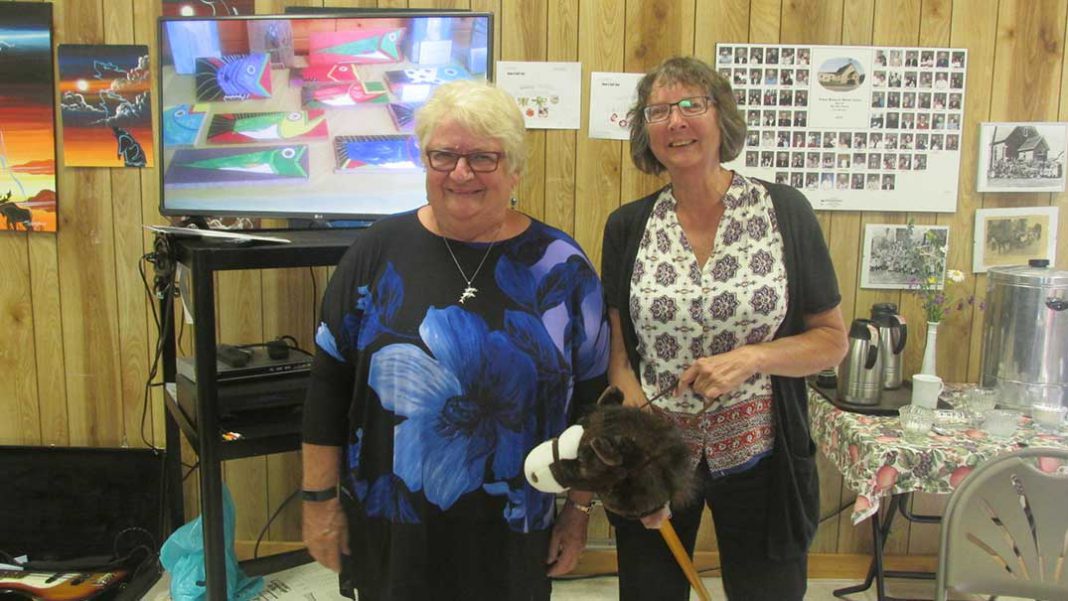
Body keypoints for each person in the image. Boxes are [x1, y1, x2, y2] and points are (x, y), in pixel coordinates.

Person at [301, 79, 609, 601]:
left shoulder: (560, 265)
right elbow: (328, 387)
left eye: (483, 157)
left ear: (515, 168)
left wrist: (578, 510)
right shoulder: (376, 252)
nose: (461, 173)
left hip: (513, 533)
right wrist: (317, 502)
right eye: (443, 155)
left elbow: (593, 405)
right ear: (424, 161)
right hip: (393, 528)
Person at [600, 56, 848, 601]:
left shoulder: (784, 211)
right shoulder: (628, 226)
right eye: (658, 111)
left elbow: (832, 341)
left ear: (721, 117)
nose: (675, 121)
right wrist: (642, 460)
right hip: (660, 455)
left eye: (692, 104)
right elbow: (619, 357)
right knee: (649, 592)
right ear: (646, 130)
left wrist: (753, 357)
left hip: (762, 451)